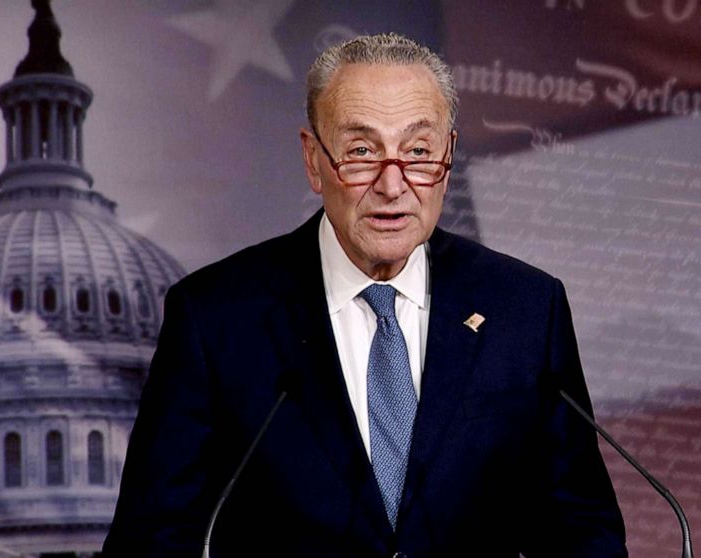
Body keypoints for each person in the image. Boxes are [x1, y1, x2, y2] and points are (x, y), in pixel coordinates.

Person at [103, 33, 626, 557]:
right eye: (361, 152)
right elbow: (152, 540)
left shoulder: (526, 311)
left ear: (449, 156)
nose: (393, 184)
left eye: (419, 151)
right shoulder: (215, 319)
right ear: (313, 159)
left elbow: (583, 531)